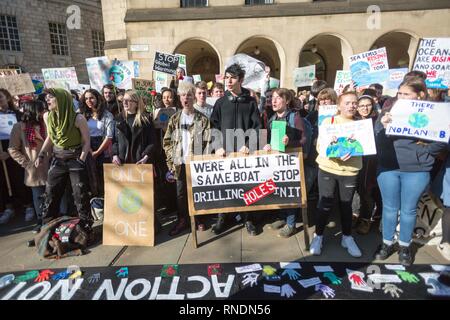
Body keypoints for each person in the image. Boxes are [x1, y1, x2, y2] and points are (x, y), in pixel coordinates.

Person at [374, 77, 447, 266]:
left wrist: (423, 153)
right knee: (389, 209)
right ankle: (387, 243)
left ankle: (405, 246)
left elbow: (441, 138)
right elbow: (376, 140)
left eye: (406, 93)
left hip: (416, 170)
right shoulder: (389, 110)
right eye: (399, 93)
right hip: (389, 168)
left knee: (408, 210)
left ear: (420, 95)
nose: (401, 96)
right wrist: (382, 125)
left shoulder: (434, 114)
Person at [210, 63, 262, 236]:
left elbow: (257, 127)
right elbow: (213, 127)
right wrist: (217, 146)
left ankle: (249, 219)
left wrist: (248, 144)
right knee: (224, 186)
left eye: (232, 77)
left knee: (248, 187)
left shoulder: (250, 102)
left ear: (240, 80)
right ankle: (222, 218)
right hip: (224, 154)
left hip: (245, 154)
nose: (228, 81)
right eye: (226, 77)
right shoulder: (220, 103)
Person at [309, 91, 363, 258]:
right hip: (328, 168)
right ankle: (318, 236)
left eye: (354, 103)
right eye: (347, 103)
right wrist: (336, 151)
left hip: (350, 170)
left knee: (346, 206)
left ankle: (347, 237)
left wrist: (354, 149)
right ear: (339, 105)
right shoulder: (329, 121)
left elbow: (364, 147)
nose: (351, 106)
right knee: (324, 204)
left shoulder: (362, 124)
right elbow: (320, 146)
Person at [35, 88, 92, 232]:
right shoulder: (47, 116)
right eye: (46, 97)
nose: (47, 99)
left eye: (51, 97)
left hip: (75, 159)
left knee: (80, 195)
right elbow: (50, 137)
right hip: (58, 159)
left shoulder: (78, 118)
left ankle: (85, 227)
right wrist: (41, 154)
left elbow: (86, 142)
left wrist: (81, 160)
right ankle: (46, 228)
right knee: (50, 194)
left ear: (61, 99)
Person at [163, 82, 210, 236]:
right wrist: (171, 160)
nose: (186, 98)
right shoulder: (175, 119)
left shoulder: (202, 120)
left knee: (198, 192)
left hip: (196, 165)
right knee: (181, 194)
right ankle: (183, 220)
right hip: (179, 164)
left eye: (189, 95)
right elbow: (167, 142)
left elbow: (209, 142)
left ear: (193, 97)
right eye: (183, 95)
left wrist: (202, 160)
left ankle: (199, 219)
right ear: (179, 97)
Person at [263, 88, 307, 237]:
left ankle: (291, 223)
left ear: (286, 101)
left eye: (277, 98)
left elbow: (303, 139)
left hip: (291, 162)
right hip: (276, 162)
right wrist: (267, 145)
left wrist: (290, 142)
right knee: (278, 189)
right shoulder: (272, 119)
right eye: (272, 98)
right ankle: (282, 217)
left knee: (290, 191)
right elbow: (268, 139)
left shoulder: (295, 117)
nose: (273, 101)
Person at [8, 100, 50, 233]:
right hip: (34, 170)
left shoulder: (47, 123)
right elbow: (12, 149)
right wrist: (27, 164)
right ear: (32, 111)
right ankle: (41, 222)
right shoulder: (19, 127)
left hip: (52, 165)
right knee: (38, 198)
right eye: (40, 110)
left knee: (55, 195)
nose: (44, 112)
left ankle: (57, 219)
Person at [0, 89, 33, 224]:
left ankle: (28, 205)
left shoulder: (18, 115)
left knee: (19, 178)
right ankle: (8, 207)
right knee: (3, 181)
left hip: (17, 151)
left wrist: (11, 152)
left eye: (0, 97)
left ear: (7, 98)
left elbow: (25, 135)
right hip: (1, 154)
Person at [351, 94, 382, 234]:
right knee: (353, 190)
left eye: (368, 105)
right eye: (361, 105)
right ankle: (355, 214)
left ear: (373, 105)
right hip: (353, 160)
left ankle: (365, 219)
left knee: (366, 191)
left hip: (370, 162)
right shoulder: (352, 120)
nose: (365, 108)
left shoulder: (378, 121)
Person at [80, 89, 115, 195]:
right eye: (86, 98)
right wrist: (88, 148)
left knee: (102, 177)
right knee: (89, 178)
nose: (89, 100)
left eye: (91, 98)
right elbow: (80, 133)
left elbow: (109, 137)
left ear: (97, 99)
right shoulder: (82, 115)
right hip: (86, 146)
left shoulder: (107, 115)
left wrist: (97, 152)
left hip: (103, 148)